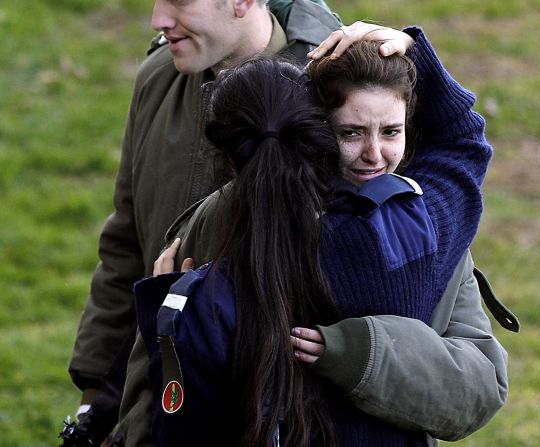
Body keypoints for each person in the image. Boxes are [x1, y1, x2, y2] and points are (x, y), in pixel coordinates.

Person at [135, 24, 510, 446]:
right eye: (351, 132)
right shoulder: (425, 227)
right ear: (312, 128)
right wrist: (416, 49)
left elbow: (480, 384)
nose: (375, 155)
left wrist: (170, 307)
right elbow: (464, 144)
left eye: (391, 131)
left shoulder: (223, 222)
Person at [66, 0, 342, 444]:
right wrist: (95, 390)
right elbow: (125, 248)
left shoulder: (337, 97)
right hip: (159, 404)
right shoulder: (157, 77)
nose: (158, 19)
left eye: (178, 1)